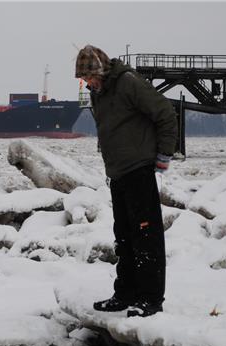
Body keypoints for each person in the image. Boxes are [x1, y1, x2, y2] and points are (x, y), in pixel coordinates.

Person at [75, 45, 177, 317]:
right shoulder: (99, 92)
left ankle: (151, 299)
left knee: (146, 237)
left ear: (102, 70)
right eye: (84, 78)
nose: (88, 82)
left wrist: (164, 154)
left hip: (139, 169)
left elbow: (165, 113)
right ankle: (125, 293)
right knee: (125, 237)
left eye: (90, 77)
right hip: (118, 173)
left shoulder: (129, 83)